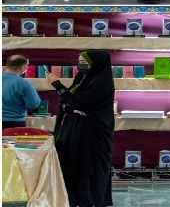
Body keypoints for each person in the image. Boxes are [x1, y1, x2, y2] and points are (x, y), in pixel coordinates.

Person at [46, 50, 115, 207]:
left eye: (85, 63)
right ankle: (73, 199)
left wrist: (57, 85)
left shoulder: (100, 83)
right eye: (80, 62)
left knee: (86, 166)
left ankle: (88, 200)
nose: (80, 66)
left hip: (91, 134)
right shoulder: (82, 79)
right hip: (75, 130)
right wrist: (70, 108)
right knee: (73, 164)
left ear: (96, 64)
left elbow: (75, 102)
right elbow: (67, 103)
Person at [2, 55, 41, 130]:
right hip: (14, 123)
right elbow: (33, 104)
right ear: (22, 67)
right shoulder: (24, 84)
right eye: (27, 65)